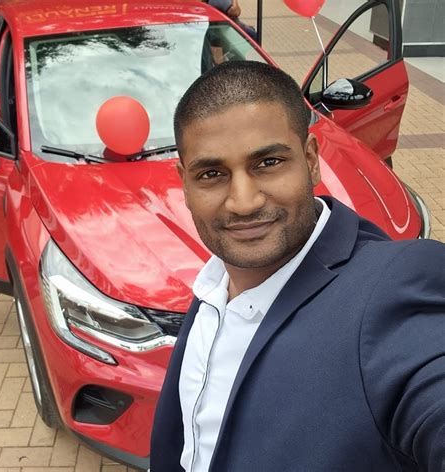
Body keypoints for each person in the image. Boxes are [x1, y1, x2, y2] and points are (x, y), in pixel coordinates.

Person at [150, 61, 445, 471]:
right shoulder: (214, 285)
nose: (244, 202)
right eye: (212, 173)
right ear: (184, 182)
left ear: (311, 159)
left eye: (268, 163)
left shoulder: (393, 288)